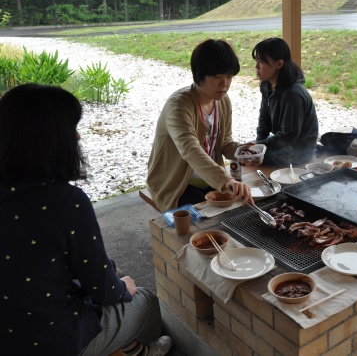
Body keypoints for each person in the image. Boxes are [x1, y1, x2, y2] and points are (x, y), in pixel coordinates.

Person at [0, 84, 171, 356]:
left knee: (110, 272)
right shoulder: (64, 201)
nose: (78, 137)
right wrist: (123, 289)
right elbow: (104, 291)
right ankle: (138, 350)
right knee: (146, 302)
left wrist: (109, 272)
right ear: (48, 139)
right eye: (71, 128)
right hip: (49, 341)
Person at [147, 39, 253, 212]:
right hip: (177, 184)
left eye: (229, 76)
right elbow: (190, 149)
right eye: (217, 77)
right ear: (198, 75)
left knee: (243, 205)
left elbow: (225, 142)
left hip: (208, 178)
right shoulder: (179, 105)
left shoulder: (222, 101)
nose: (224, 84)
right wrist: (225, 180)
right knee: (215, 217)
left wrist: (242, 152)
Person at [252, 37, 319, 166]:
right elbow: (263, 119)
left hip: (301, 150)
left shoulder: (293, 93)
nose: (256, 67)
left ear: (279, 64)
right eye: (256, 61)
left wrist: (259, 148)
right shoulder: (267, 85)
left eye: (261, 62)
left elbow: (289, 136)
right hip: (284, 143)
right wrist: (259, 144)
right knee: (247, 152)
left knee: (252, 158)